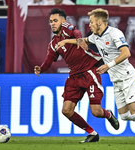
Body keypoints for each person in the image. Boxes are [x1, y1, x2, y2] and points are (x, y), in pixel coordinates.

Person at [56, 8, 135, 144]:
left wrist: (108, 65)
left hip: (127, 76)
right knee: (125, 116)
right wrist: (65, 42)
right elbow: (82, 41)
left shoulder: (114, 33)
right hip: (116, 80)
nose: (89, 25)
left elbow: (126, 53)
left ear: (99, 22)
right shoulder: (95, 36)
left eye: (91, 22)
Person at [34, 8, 119, 143]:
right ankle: (92, 133)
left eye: (55, 21)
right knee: (66, 110)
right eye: (51, 22)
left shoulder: (68, 30)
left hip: (89, 72)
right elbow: (48, 61)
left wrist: (79, 39)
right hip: (74, 76)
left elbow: (76, 32)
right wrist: (41, 68)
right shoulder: (53, 44)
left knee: (96, 112)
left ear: (63, 21)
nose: (53, 24)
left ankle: (108, 114)